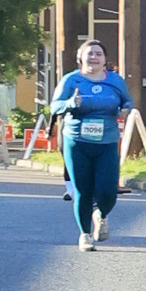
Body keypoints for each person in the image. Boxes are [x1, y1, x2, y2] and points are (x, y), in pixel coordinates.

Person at [48, 39, 139, 248]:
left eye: (98, 54)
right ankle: (85, 235)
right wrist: (71, 103)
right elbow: (55, 106)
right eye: (89, 53)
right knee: (83, 191)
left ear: (105, 59)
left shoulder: (115, 81)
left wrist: (125, 109)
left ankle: (101, 214)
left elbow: (127, 100)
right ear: (80, 58)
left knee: (108, 191)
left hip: (107, 142)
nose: (94, 57)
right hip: (77, 141)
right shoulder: (71, 80)